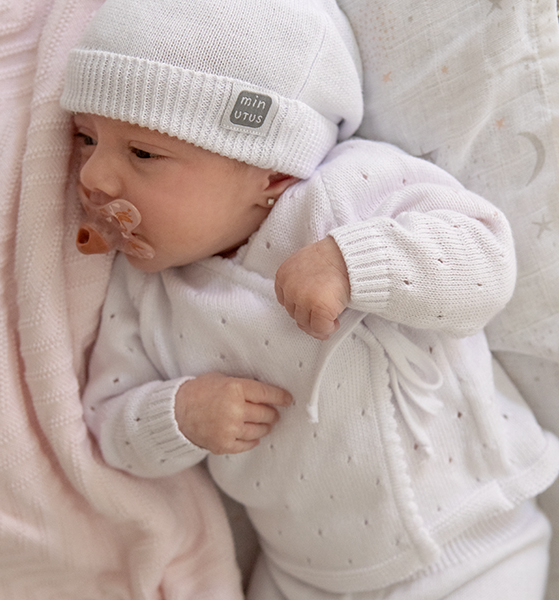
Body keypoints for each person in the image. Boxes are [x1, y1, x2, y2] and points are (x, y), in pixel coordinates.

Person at [60, 0, 559, 598]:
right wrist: (180, 416)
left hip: (471, 541)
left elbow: (486, 263)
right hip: (300, 575)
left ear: (270, 171)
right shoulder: (144, 290)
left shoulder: (348, 191)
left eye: (142, 152)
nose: (91, 177)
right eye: (86, 138)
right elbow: (108, 423)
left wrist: (356, 262)